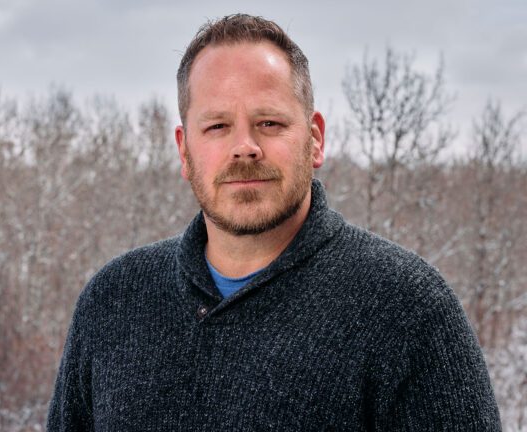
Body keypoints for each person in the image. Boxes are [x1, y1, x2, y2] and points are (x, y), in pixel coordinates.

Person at [47, 14, 501, 431]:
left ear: (315, 138)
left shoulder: (409, 311)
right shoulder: (113, 302)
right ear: (185, 150)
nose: (245, 147)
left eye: (268, 122)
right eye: (218, 127)